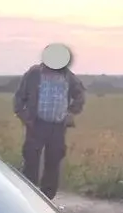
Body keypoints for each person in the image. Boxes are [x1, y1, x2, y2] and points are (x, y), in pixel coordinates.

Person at [13, 44, 86, 200]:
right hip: (36, 125)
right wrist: (24, 116)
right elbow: (19, 97)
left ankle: (47, 199)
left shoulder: (68, 76)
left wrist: (71, 112)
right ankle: (28, 196)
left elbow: (80, 94)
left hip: (58, 127)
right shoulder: (33, 74)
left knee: (53, 161)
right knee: (31, 160)